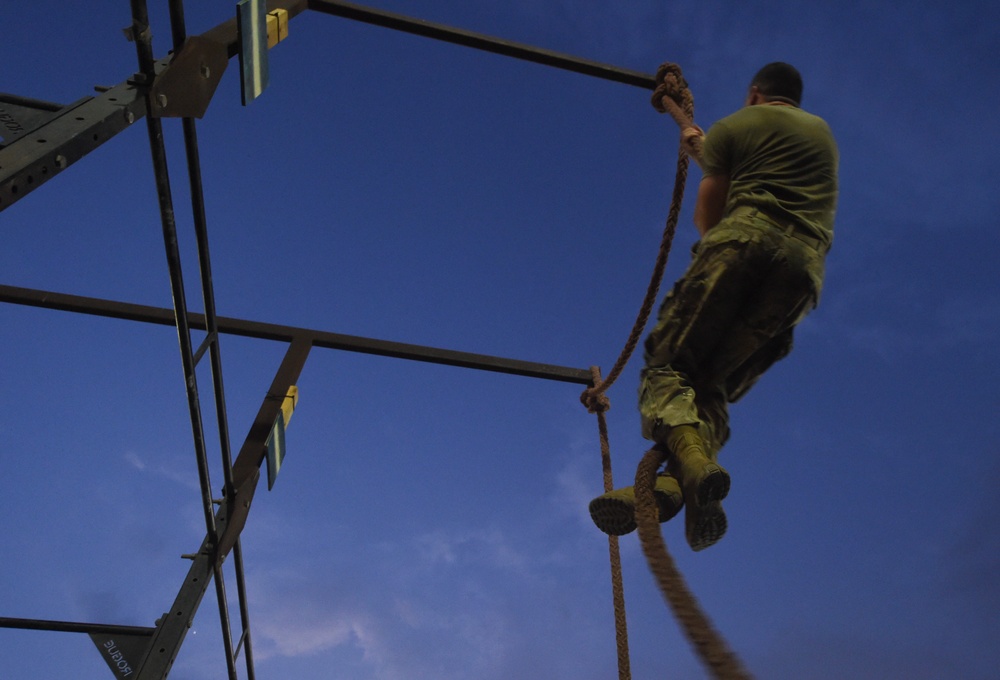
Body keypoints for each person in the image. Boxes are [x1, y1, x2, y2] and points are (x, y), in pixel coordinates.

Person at [589, 62, 839, 551]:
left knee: (668, 365)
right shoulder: (823, 137)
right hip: (803, 273)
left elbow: (708, 214)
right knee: (711, 386)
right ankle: (677, 483)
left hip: (742, 243)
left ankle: (690, 463)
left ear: (754, 94)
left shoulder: (736, 126)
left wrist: (699, 144)